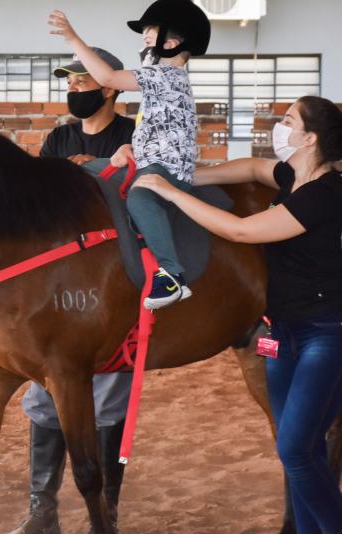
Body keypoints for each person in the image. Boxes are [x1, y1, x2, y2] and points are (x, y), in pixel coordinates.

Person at [133, 95, 342, 533]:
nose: (278, 127)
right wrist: (185, 176)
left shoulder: (324, 196)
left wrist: (170, 192)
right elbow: (250, 167)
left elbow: (240, 230)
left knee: (296, 450)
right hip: (282, 332)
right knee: (305, 450)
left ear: (310, 138)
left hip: (326, 333)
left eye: (287, 120)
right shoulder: (293, 177)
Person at [13, 49, 135, 534]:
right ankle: (43, 509)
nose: (74, 90)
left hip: (111, 283)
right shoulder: (59, 138)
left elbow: (144, 187)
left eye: (84, 83)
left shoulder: (131, 134)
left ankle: (106, 513)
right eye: (69, 83)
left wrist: (99, 166)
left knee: (107, 395)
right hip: (58, 284)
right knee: (45, 396)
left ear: (109, 88)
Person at [48, 0, 211, 309]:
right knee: (80, 171)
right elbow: (163, 130)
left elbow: (108, 78)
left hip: (165, 169)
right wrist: (131, 148)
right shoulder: (162, 84)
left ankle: (172, 274)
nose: (144, 48)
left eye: (148, 41)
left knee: (141, 197)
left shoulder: (167, 76)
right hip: (151, 158)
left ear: (171, 44)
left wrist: (72, 38)